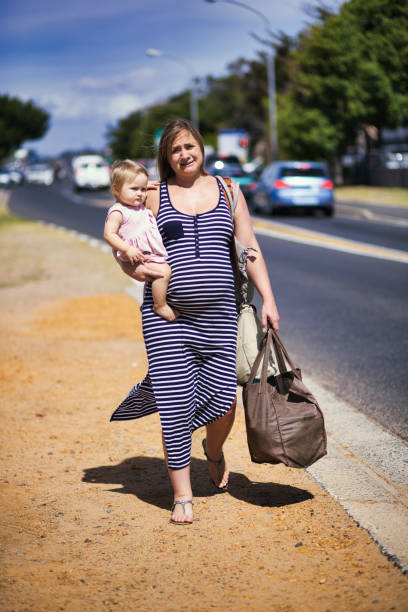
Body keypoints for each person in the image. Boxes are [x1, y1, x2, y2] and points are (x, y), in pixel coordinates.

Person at [110, 119, 280, 525]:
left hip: (221, 317)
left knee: (225, 401)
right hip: (166, 316)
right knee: (173, 402)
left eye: (189, 146)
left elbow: (250, 247)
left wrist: (270, 299)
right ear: (165, 157)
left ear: (201, 147)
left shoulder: (228, 190)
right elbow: (125, 246)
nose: (184, 154)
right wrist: (140, 274)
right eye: (175, 150)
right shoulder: (153, 195)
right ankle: (182, 494)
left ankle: (214, 450)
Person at [104, 159, 178, 321]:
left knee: (156, 276)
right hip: (135, 255)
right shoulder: (118, 211)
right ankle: (159, 305)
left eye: (143, 189)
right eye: (134, 189)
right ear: (116, 190)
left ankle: (150, 303)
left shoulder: (138, 204)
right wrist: (127, 249)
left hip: (146, 253)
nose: (140, 193)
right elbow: (109, 234)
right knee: (163, 272)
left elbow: (139, 186)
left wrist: (146, 185)